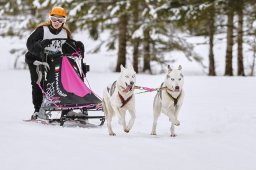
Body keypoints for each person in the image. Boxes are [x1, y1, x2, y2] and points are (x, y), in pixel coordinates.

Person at [25, 6, 75, 119]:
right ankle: (37, 110)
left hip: (53, 59)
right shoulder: (42, 30)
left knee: (62, 82)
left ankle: (66, 107)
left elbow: (67, 48)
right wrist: (40, 45)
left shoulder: (65, 33)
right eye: (54, 19)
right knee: (38, 82)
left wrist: (76, 48)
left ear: (64, 21)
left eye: (60, 20)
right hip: (36, 59)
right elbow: (30, 45)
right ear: (50, 19)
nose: (57, 22)